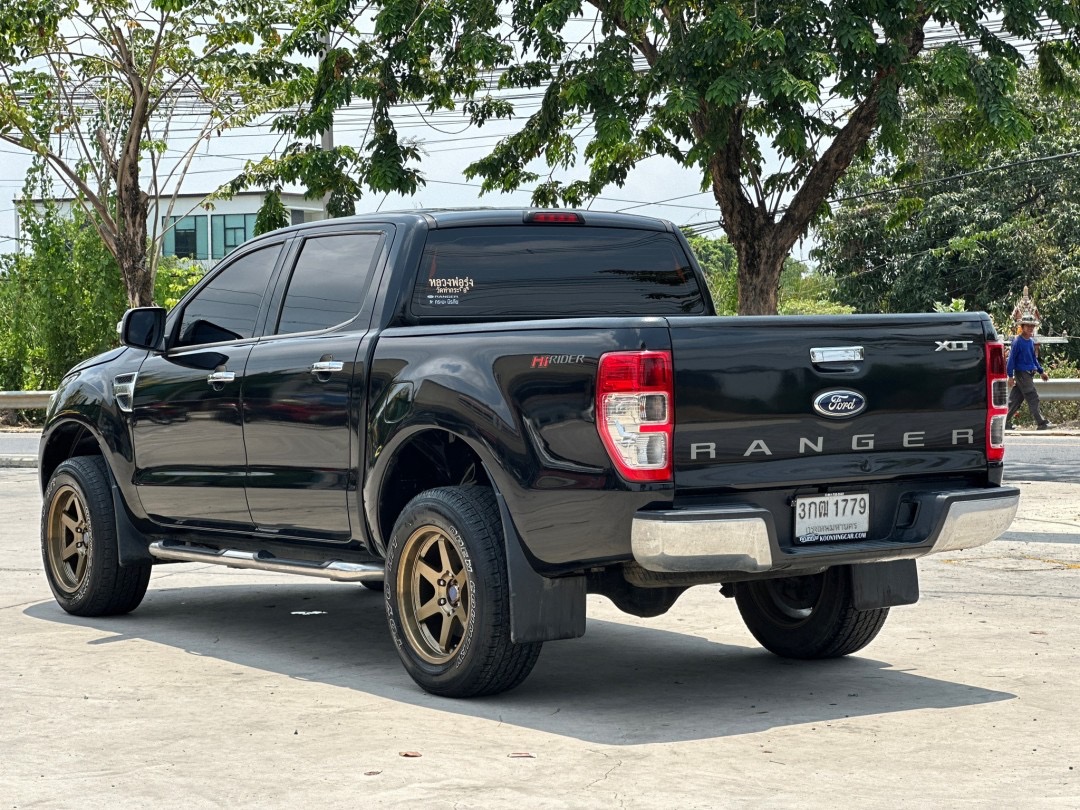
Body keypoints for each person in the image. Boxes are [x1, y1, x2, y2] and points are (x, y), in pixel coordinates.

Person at [1006, 315, 1053, 430]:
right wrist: (1010, 376)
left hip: (1028, 374)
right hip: (1022, 374)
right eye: (1028, 326)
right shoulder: (1017, 342)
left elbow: (1033, 359)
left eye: (1032, 326)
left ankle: (1003, 422)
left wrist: (1041, 371)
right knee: (1033, 397)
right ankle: (1041, 423)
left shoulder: (1031, 341)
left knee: (1015, 399)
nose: (1030, 328)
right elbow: (1011, 360)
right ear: (1022, 327)